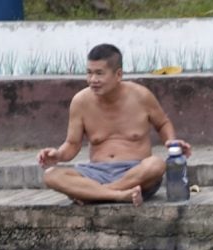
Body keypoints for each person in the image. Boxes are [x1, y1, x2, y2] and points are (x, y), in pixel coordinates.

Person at [37, 43, 192, 206]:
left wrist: (171, 142)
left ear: (118, 75)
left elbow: (163, 123)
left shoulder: (141, 96)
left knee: (156, 164)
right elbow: (72, 144)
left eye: (99, 74)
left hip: (136, 172)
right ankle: (119, 195)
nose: (92, 80)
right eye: (89, 73)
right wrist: (58, 155)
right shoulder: (80, 101)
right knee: (51, 175)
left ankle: (96, 194)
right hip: (96, 172)